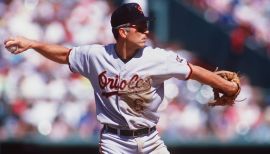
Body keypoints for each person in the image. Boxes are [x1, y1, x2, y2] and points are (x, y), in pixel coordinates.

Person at [4, 3, 239, 154]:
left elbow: (193, 71)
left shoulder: (158, 57)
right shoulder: (96, 56)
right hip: (114, 142)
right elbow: (64, 54)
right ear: (123, 32)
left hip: (150, 140)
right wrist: (32, 44)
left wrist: (226, 86)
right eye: (140, 26)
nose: (146, 30)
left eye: (146, 25)